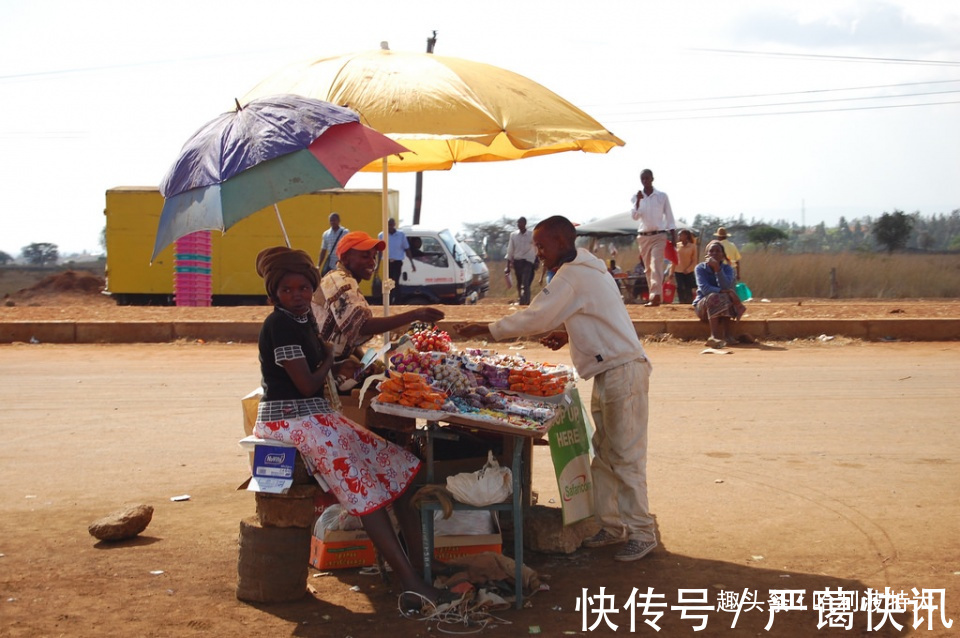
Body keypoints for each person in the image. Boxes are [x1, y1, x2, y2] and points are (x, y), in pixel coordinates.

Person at [252, 246, 449, 609]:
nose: (297, 295)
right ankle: (411, 583)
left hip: (316, 417)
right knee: (365, 490)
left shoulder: (302, 320)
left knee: (401, 468)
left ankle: (422, 565)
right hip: (290, 421)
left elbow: (316, 372)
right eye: (287, 290)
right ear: (273, 295)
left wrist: (335, 363)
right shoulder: (278, 324)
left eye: (302, 289)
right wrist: (329, 358)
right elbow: (306, 385)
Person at [454, 216, 657, 562]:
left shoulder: (572, 275)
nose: (539, 252)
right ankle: (611, 525)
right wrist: (569, 332)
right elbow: (596, 313)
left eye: (543, 245)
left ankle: (641, 531)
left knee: (625, 457)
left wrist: (487, 329)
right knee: (606, 454)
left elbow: (537, 316)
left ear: (564, 241)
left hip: (623, 372)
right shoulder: (588, 268)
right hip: (611, 371)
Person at [313, 231, 445, 392]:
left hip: (328, 361)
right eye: (365, 256)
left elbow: (347, 334)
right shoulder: (340, 281)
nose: (372, 262)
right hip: (321, 368)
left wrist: (366, 362)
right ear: (346, 258)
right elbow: (362, 326)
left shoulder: (343, 279)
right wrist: (415, 314)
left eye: (374, 256)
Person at [630, 169, 677, 307]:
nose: (645, 181)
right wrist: (638, 201)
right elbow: (635, 216)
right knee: (648, 269)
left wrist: (673, 233)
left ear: (652, 179)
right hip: (643, 236)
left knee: (656, 264)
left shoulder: (662, 196)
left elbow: (669, 215)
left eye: (647, 178)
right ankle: (655, 295)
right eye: (642, 179)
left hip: (659, 235)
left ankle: (655, 295)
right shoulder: (636, 197)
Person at [693, 240, 746, 348]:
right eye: (711, 251)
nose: (714, 254)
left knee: (725, 296)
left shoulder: (728, 269)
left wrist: (718, 269)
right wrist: (724, 291)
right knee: (716, 296)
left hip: (724, 305)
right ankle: (714, 336)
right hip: (703, 307)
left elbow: (726, 286)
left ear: (723, 255)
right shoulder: (700, 268)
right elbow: (705, 289)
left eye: (718, 251)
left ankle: (727, 335)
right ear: (707, 255)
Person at [377, 218, 416, 302]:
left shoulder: (401, 235)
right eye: (388, 224)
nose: (390, 226)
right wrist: (377, 265)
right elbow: (380, 252)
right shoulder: (381, 235)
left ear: (394, 224)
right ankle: (388, 300)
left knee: (395, 281)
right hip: (387, 263)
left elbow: (407, 249)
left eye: (391, 224)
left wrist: (412, 263)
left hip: (397, 262)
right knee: (388, 282)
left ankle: (397, 301)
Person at [506, 216, 538, 305]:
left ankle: (526, 301)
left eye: (520, 223)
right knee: (519, 282)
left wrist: (537, 261)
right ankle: (521, 298)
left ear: (525, 223)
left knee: (525, 282)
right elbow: (510, 250)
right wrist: (507, 266)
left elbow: (536, 248)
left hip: (528, 261)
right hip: (517, 262)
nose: (519, 225)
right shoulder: (513, 235)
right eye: (518, 223)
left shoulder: (532, 235)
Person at [317, 212, 349, 277]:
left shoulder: (345, 232)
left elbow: (349, 248)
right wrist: (318, 265)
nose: (332, 222)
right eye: (331, 220)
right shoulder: (326, 234)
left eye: (334, 220)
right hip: (331, 265)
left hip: (342, 265)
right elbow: (323, 250)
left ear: (339, 221)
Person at [673, 229, 698, 305]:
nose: (679, 236)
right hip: (678, 270)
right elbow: (673, 260)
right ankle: (681, 302)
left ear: (686, 236)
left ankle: (689, 302)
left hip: (688, 271)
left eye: (681, 235)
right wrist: (671, 272)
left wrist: (689, 269)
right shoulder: (677, 246)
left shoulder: (692, 246)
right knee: (680, 287)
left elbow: (694, 260)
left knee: (688, 288)